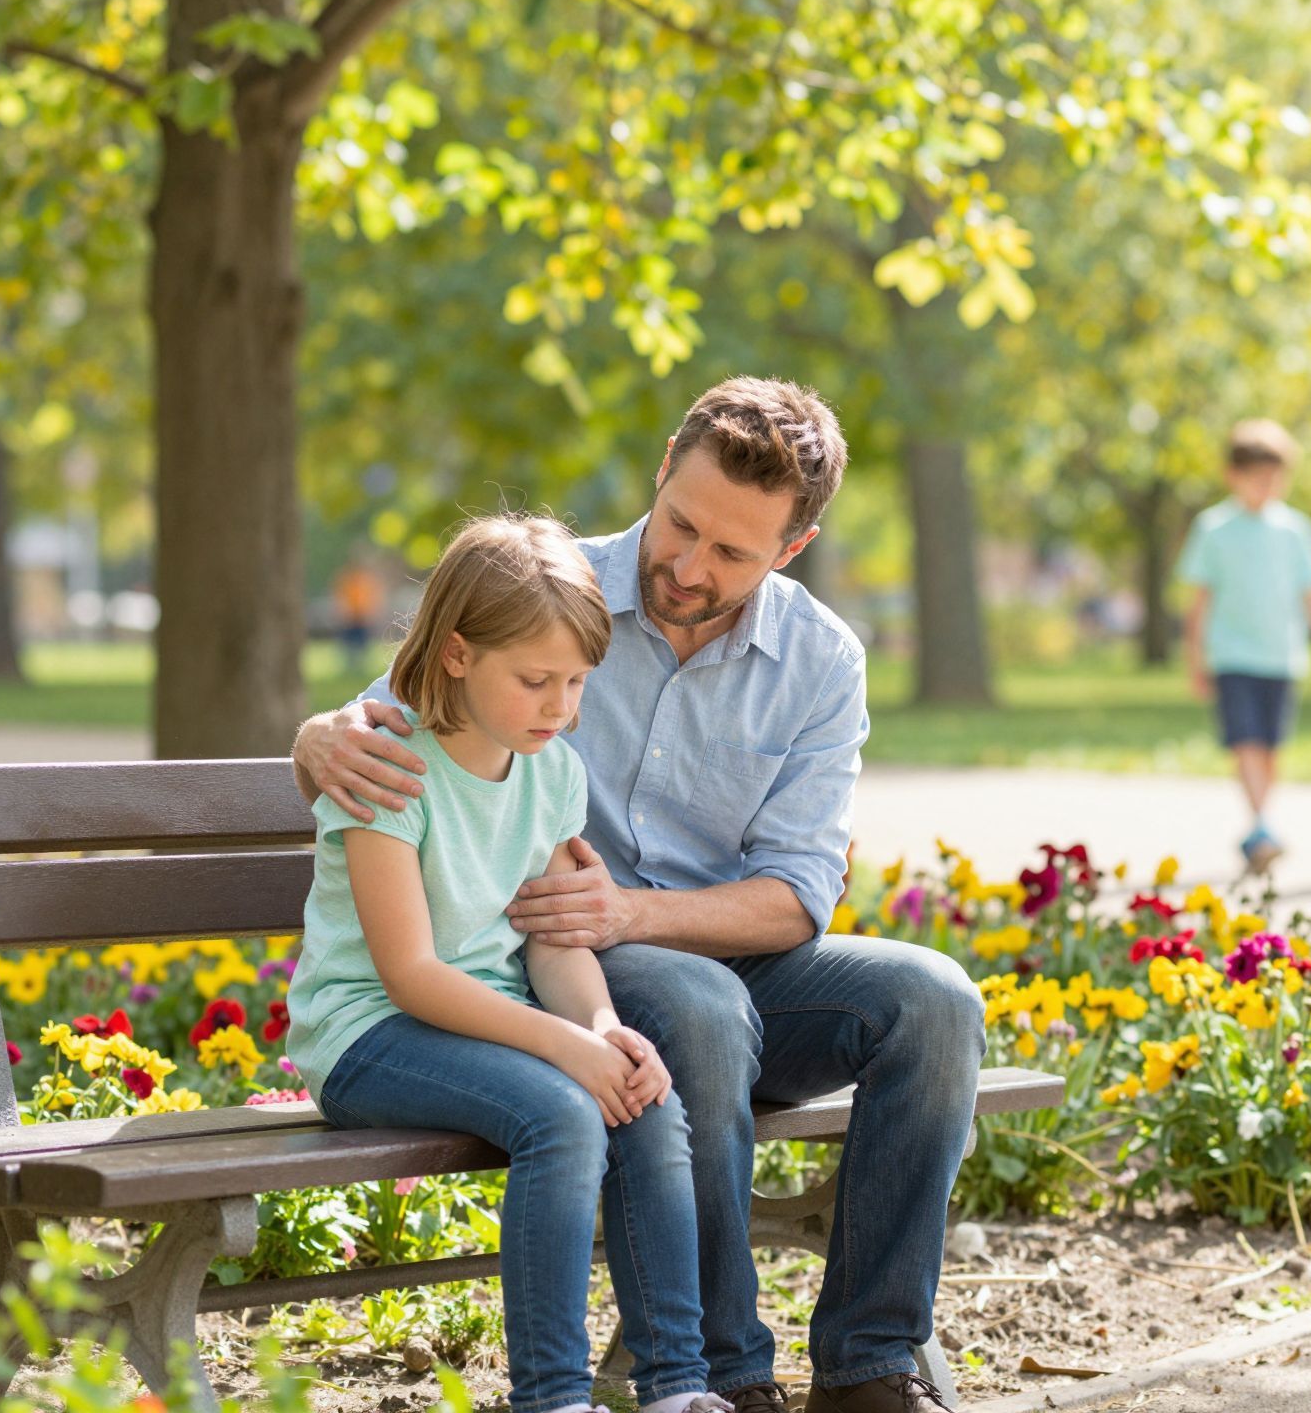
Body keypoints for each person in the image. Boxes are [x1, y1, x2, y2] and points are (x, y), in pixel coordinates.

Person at [292, 379, 986, 1413]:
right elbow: (403, 717)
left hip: (683, 948)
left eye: (732, 554)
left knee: (936, 1003)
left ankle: (869, 1365)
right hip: (564, 968)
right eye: (681, 525)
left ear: (790, 549)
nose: (689, 566)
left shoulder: (820, 661)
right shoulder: (548, 594)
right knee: (696, 1011)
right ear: (664, 467)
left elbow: (799, 895)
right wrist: (313, 741)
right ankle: (720, 1375)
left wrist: (632, 913)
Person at [285, 513, 728, 1413]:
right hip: (369, 1033)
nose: (561, 707)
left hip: (488, 1021)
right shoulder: (386, 771)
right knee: (566, 1112)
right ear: (456, 653)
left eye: (575, 683)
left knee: (641, 1093)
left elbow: (550, 937)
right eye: (536, 681)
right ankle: (554, 1398)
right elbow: (407, 973)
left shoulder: (551, 772)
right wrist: (565, 1049)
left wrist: (602, 1029)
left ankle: (679, 1387)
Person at [1178, 418, 1311, 875]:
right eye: (1257, 476)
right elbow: (1199, 602)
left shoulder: (1294, 529)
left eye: (1275, 477)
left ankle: (1259, 827)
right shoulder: (1213, 528)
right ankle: (1262, 825)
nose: (1266, 486)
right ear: (1233, 475)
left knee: (1270, 749)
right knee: (1245, 741)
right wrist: (1195, 660)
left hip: (1282, 656)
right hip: (1232, 655)